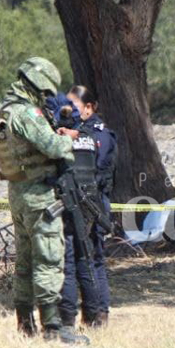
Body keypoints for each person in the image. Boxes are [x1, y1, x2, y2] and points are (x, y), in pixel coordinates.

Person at [0, 56, 88, 344]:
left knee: (24, 260)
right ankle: (53, 328)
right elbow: (52, 147)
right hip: (39, 194)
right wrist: (70, 138)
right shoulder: (26, 114)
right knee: (47, 257)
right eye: (44, 92)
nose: (46, 98)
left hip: (18, 194)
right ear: (35, 85)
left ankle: (25, 323)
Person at [58, 85, 116, 328]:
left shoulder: (101, 134)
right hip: (75, 203)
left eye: (75, 106)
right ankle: (88, 314)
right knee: (78, 259)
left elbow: (97, 169)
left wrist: (77, 139)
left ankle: (99, 313)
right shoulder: (74, 130)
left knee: (94, 260)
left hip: (94, 203)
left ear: (90, 107)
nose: (70, 111)